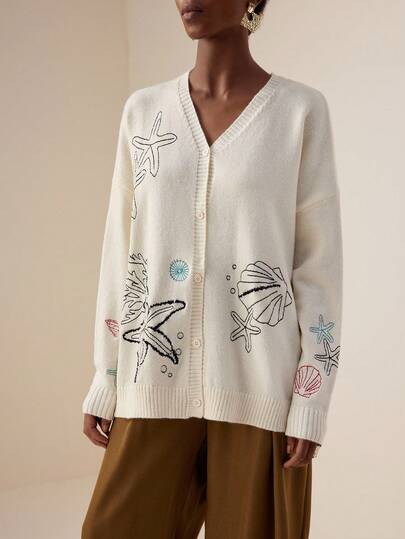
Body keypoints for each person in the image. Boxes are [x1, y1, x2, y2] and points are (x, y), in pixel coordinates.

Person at [81, 1, 343, 537]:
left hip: (261, 390)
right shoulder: (144, 112)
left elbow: (318, 267)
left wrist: (311, 400)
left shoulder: (299, 112)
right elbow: (120, 253)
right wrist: (106, 378)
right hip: (150, 380)